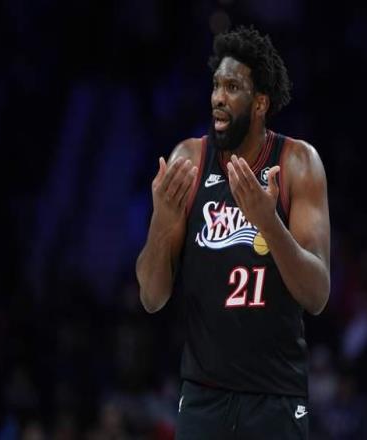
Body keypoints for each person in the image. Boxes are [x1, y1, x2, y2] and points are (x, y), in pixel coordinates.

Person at [136, 25, 330, 439]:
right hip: (203, 397)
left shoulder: (298, 163)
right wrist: (161, 221)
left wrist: (269, 223)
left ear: (260, 103)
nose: (218, 98)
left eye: (232, 87)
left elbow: (316, 295)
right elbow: (151, 297)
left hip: (275, 396)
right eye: (216, 86)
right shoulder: (189, 160)